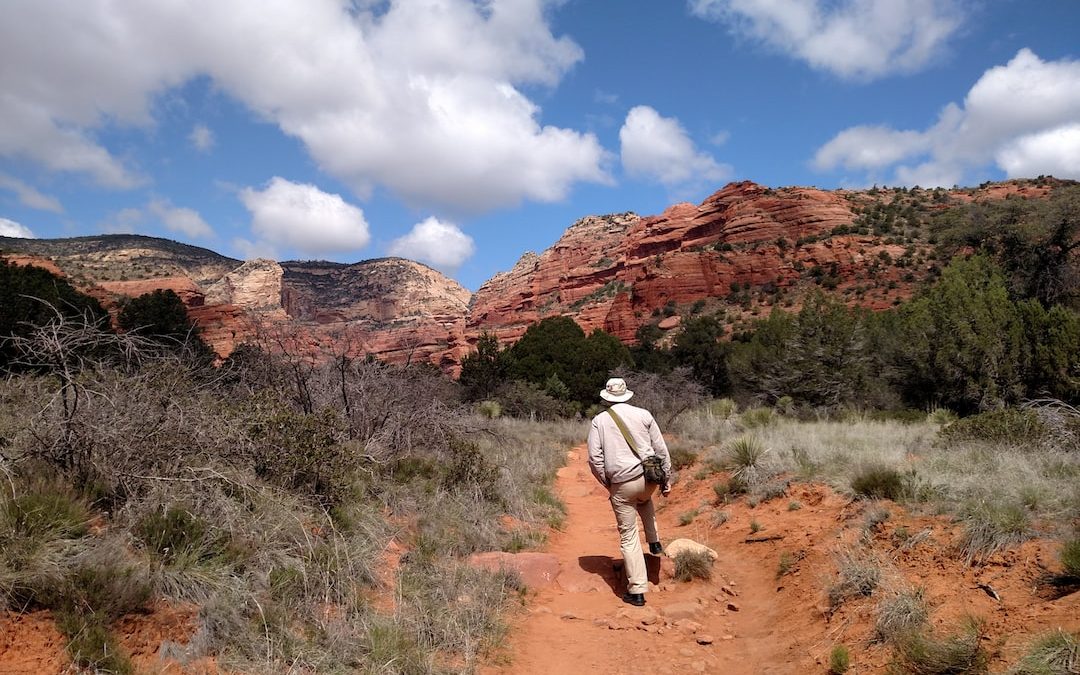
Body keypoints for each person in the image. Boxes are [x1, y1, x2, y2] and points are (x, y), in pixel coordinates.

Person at [587, 377, 672, 606]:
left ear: (606, 397)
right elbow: (661, 449)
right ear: (627, 394)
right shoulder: (644, 414)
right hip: (649, 478)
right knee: (643, 501)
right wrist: (666, 478)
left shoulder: (599, 421)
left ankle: (637, 590)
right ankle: (654, 542)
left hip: (622, 483)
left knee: (628, 535)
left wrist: (607, 482)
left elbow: (595, 459)